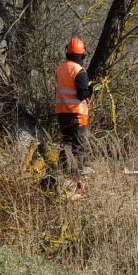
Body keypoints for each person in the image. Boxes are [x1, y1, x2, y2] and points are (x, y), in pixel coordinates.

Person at [53, 37, 92, 176]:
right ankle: (79, 176)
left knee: (66, 145)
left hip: (61, 113)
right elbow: (82, 95)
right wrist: (91, 90)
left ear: (67, 53)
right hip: (76, 114)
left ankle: (63, 173)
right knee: (80, 147)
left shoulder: (60, 69)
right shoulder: (80, 71)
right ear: (82, 54)